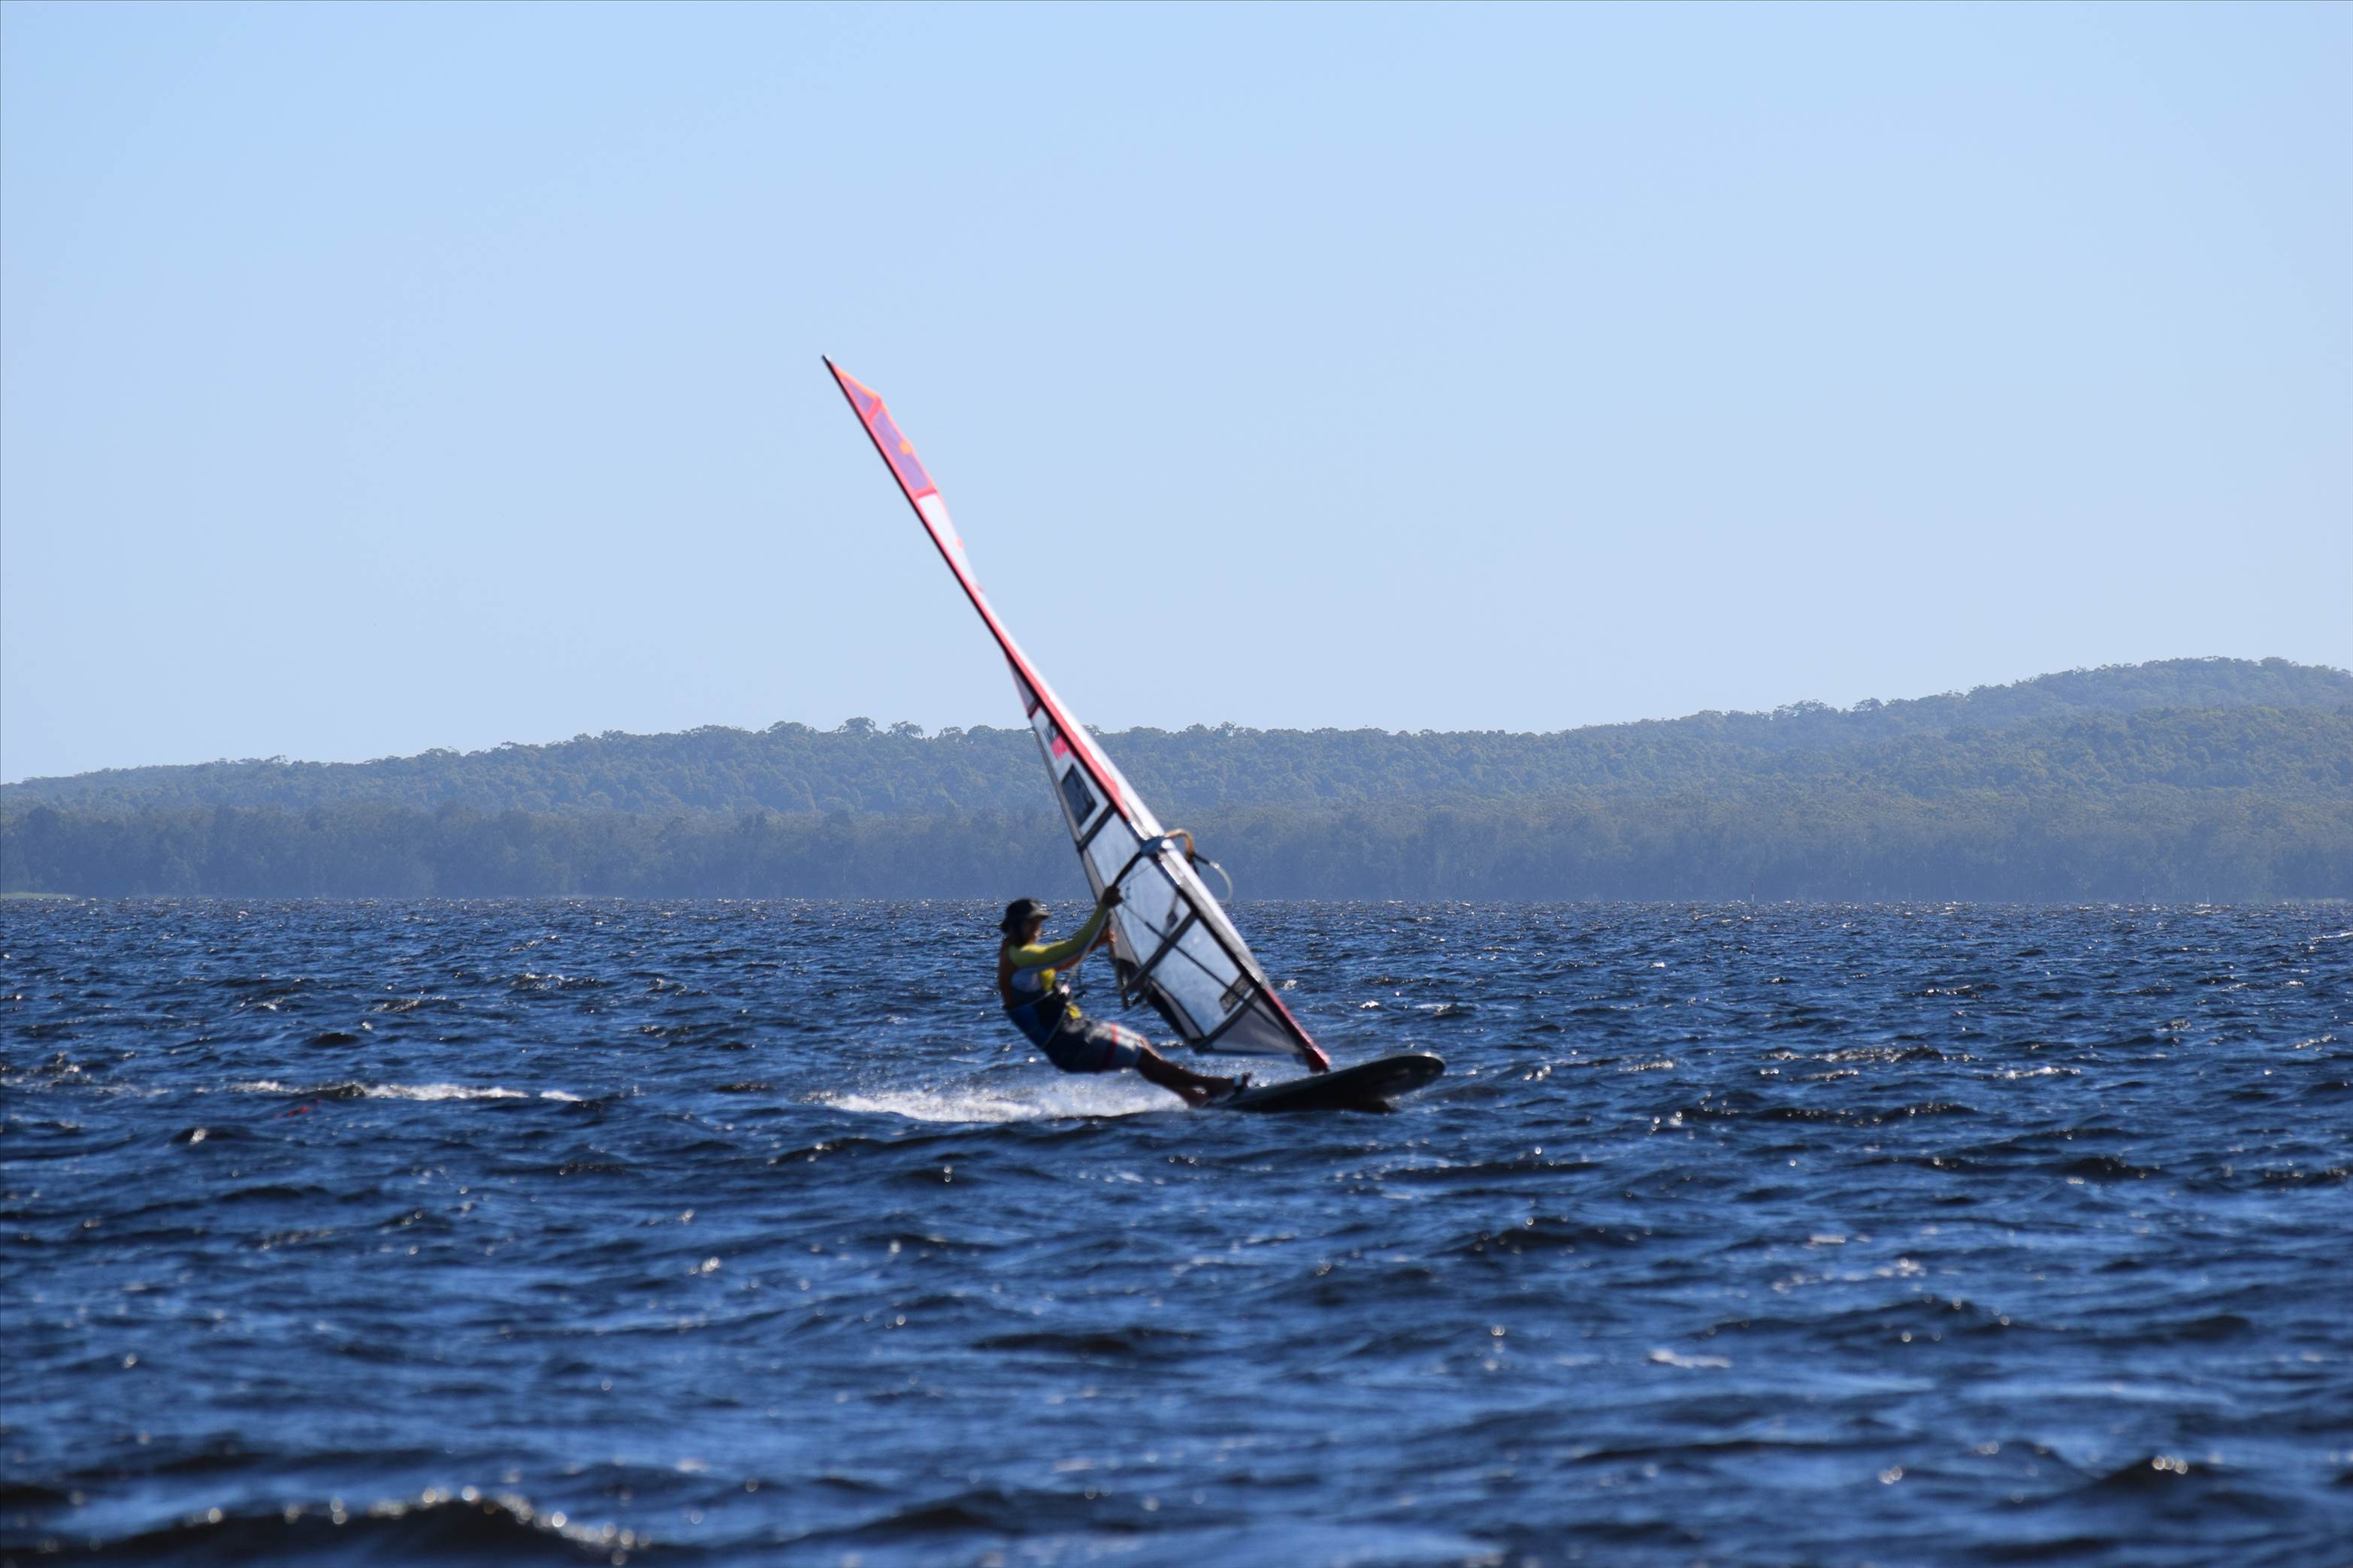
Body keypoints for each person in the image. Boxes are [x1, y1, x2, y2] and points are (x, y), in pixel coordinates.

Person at [997, 889, 1243, 1108]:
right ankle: (1213, 1086)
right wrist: (1103, 907)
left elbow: (1060, 963)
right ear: (1014, 926)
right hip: (1069, 1044)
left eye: (1038, 924)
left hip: (1076, 1031)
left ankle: (1193, 1097)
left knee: (1142, 1046)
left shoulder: (1021, 958)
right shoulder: (1021, 958)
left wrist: (1096, 944)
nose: (1036, 930)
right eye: (1030, 924)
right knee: (1141, 1057)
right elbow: (1071, 948)